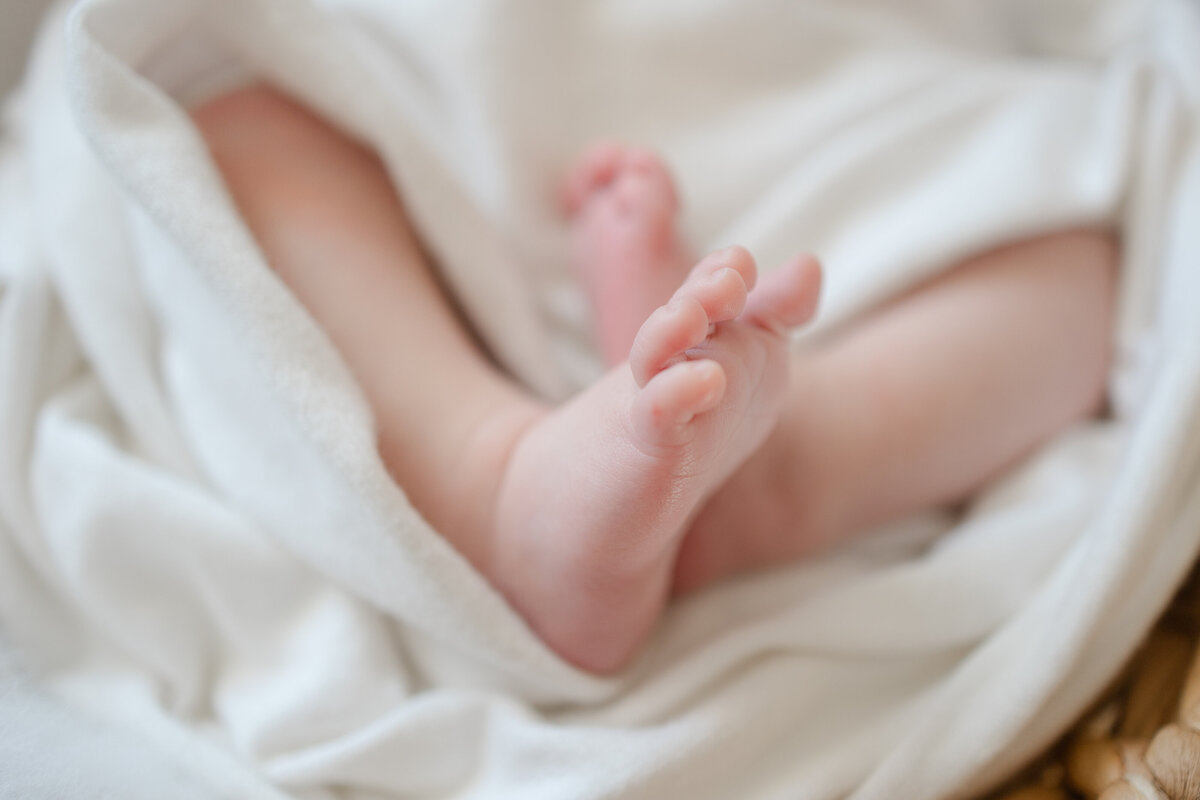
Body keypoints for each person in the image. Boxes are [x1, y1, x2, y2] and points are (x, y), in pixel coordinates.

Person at [191, 84, 1117, 674]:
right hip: (439, 115)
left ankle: (781, 455)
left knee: (1079, 248)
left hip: (829, 117)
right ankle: (505, 483)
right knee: (243, 127)